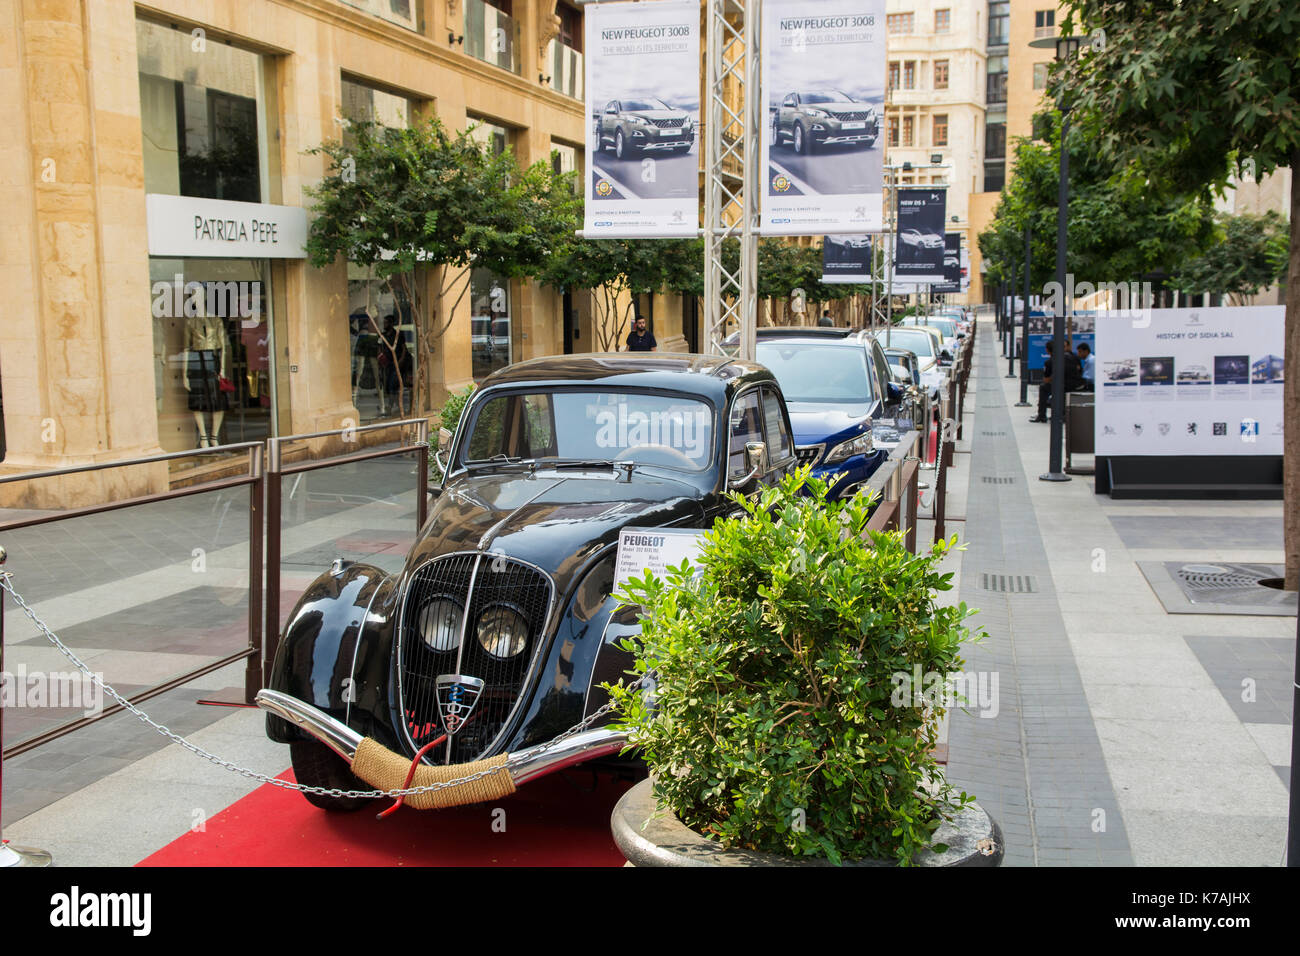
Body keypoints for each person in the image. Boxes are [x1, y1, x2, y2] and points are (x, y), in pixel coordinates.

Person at [1030, 339, 1083, 422]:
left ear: (1047, 350)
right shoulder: (1074, 357)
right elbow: (1079, 370)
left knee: (1043, 387)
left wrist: (1053, 377)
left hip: (1063, 386)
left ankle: (1042, 415)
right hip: (1077, 384)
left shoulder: (1049, 362)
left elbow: (1046, 380)